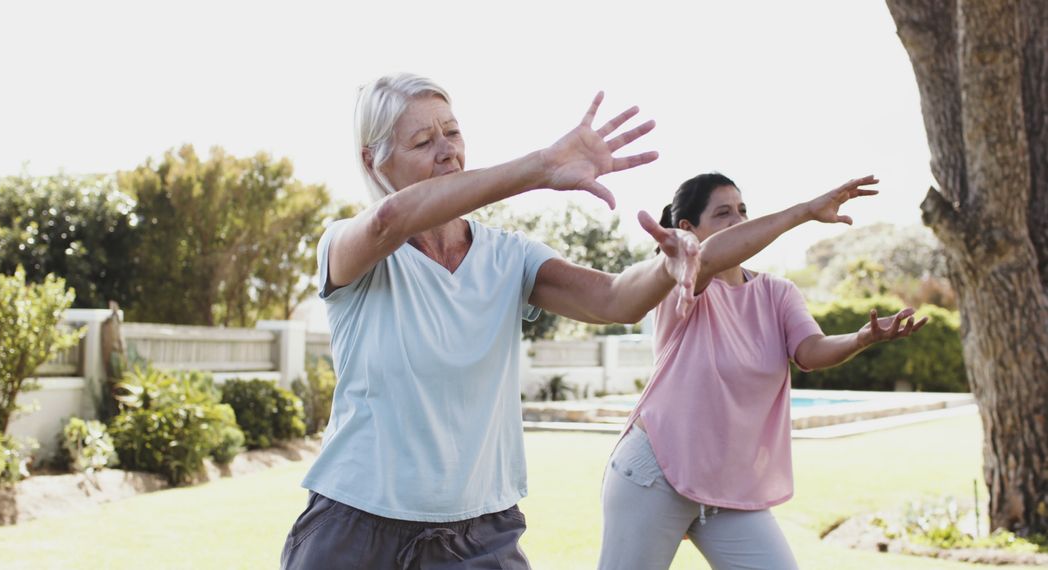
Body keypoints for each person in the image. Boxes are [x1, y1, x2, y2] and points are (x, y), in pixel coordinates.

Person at [279, 72, 866, 569]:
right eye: (422, 141)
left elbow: (613, 299)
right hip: (356, 529)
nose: (447, 151)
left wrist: (670, 267)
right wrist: (540, 167)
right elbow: (389, 221)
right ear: (373, 161)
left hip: (478, 535)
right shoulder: (351, 248)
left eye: (452, 132)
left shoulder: (508, 256)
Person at [597, 172, 929, 570]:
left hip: (731, 485)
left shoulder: (777, 293)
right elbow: (712, 256)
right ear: (688, 229)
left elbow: (810, 350)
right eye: (723, 213)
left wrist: (859, 339)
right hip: (654, 474)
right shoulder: (679, 283)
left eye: (742, 210)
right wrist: (806, 211)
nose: (739, 221)